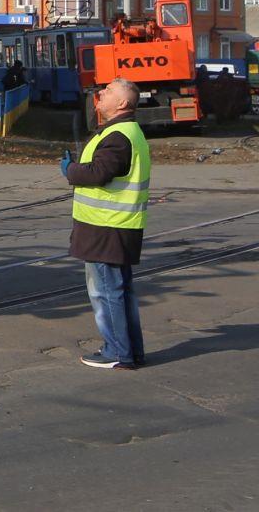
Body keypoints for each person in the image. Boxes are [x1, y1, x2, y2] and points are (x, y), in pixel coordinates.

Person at [61, 77, 149, 370]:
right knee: (120, 291)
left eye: (109, 90)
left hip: (106, 228)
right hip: (115, 226)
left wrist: (71, 170)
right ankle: (130, 350)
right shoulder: (121, 132)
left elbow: (99, 173)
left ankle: (118, 351)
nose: (101, 92)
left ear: (123, 103)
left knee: (106, 292)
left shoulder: (118, 136)